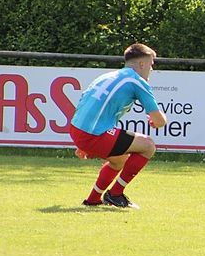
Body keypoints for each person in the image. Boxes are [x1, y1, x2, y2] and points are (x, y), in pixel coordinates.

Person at [69, 43, 167, 209]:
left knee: (119, 160)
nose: (151, 69)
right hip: (93, 134)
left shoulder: (108, 76)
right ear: (141, 64)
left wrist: (82, 140)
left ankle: (93, 200)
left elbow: (86, 102)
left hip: (77, 129)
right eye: (151, 64)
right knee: (148, 146)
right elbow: (159, 122)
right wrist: (159, 118)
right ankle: (115, 194)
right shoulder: (136, 81)